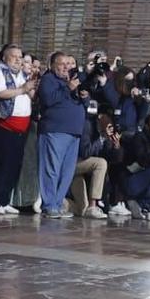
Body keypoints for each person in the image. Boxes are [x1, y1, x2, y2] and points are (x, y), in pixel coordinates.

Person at [0, 43, 37, 215]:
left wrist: (29, 86)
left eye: (20, 57)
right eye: (15, 57)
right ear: (5, 58)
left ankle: (5, 200)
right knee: (1, 164)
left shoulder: (22, 75)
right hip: (2, 126)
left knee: (14, 164)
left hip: (20, 128)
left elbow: (31, 96)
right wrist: (22, 89)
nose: (18, 60)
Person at [33, 50, 86, 219]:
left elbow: (83, 102)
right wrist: (68, 89)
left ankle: (57, 203)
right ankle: (49, 205)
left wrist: (83, 95)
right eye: (61, 64)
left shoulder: (73, 81)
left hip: (74, 132)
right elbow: (48, 100)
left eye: (68, 64)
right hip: (55, 131)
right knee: (52, 169)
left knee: (66, 172)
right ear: (52, 66)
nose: (66, 67)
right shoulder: (49, 79)